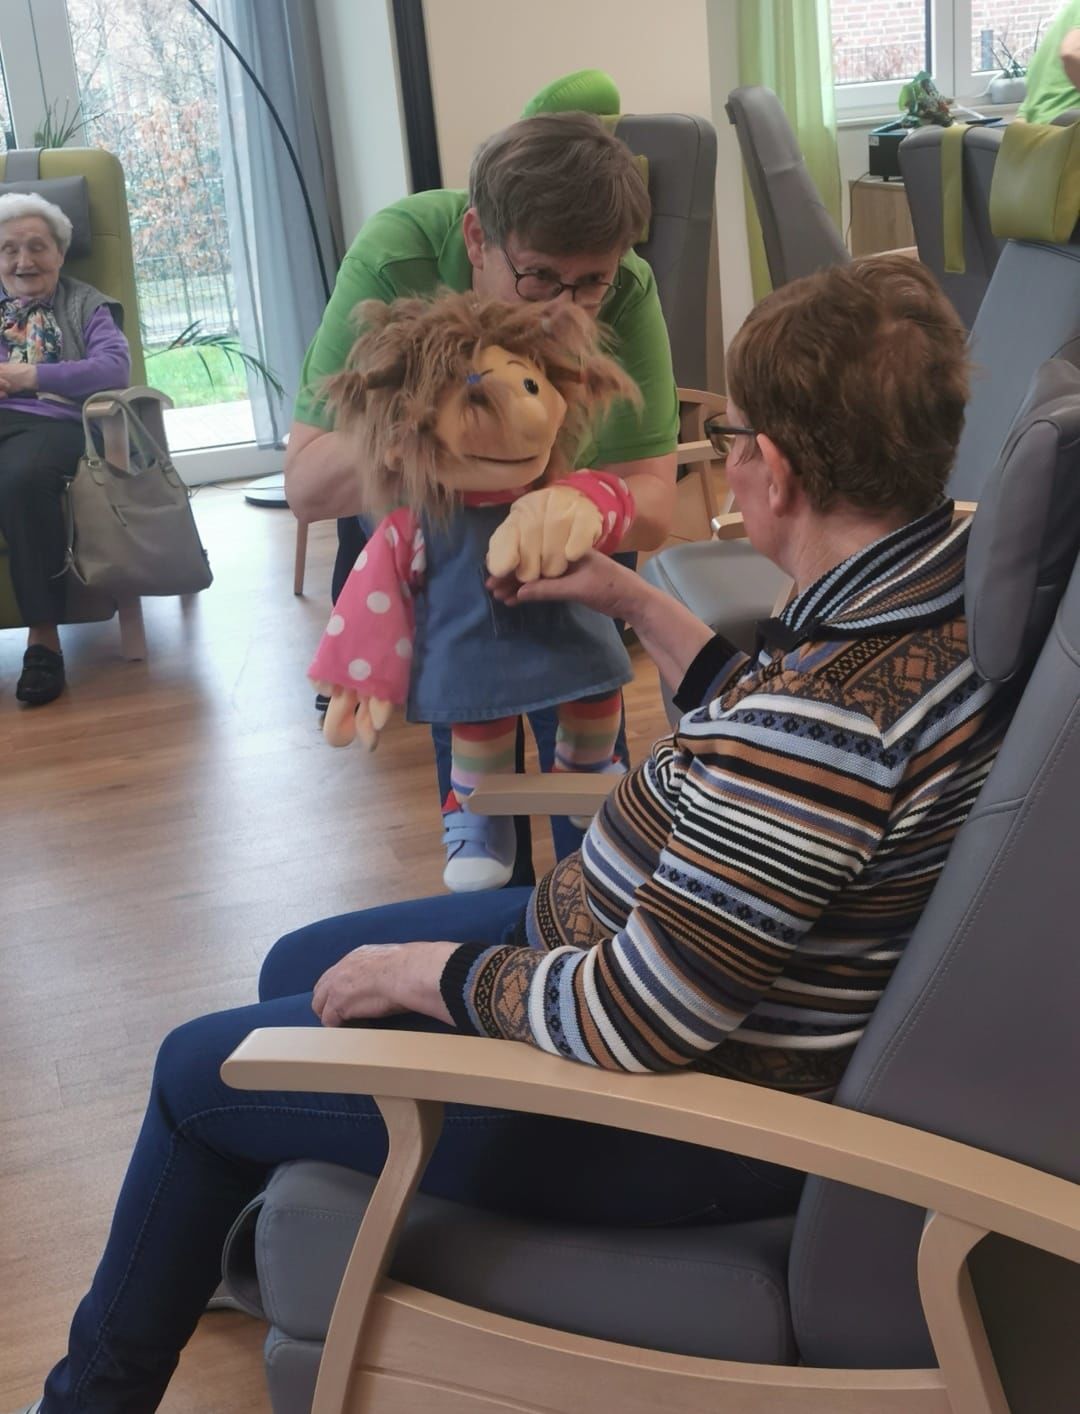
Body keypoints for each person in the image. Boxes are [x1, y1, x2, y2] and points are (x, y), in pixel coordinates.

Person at [12, 254, 1019, 1414]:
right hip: (625, 951)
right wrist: (630, 598)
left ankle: (90, 1397)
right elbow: (770, 742)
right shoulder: (922, 587)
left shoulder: (823, 725)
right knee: (299, 964)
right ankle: (241, 1224)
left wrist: (430, 976)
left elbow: (643, 1016)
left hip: (668, 1113)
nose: (726, 455)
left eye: (730, 434)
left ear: (774, 468)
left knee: (196, 1071)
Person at [284, 111, 680, 882]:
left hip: (569, 552)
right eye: (539, 277)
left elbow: (656, 501)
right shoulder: (397, 258)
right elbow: (306, 485)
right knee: (474, 736)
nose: (564, 310)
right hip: (439, 541)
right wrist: (429, 439)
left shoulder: (625, 288)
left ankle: (592, 906)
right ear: (476, 238)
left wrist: (587, 502)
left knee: (592, 768)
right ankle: (496, 905)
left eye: (590, 282)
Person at [0, 192, 131, 706]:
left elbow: (113, 368)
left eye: (37, 247)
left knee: (21, 480)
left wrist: (30, 376)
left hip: (50, 424)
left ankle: (43, 642)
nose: (23, 260)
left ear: (60, 253)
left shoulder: (85, 304)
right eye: (9, 249)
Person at [1018, 1, 1080, 123]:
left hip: (1042, 128)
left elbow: (1022, 116)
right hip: (1069, 124)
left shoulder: (1066, 20)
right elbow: (1071, 53)